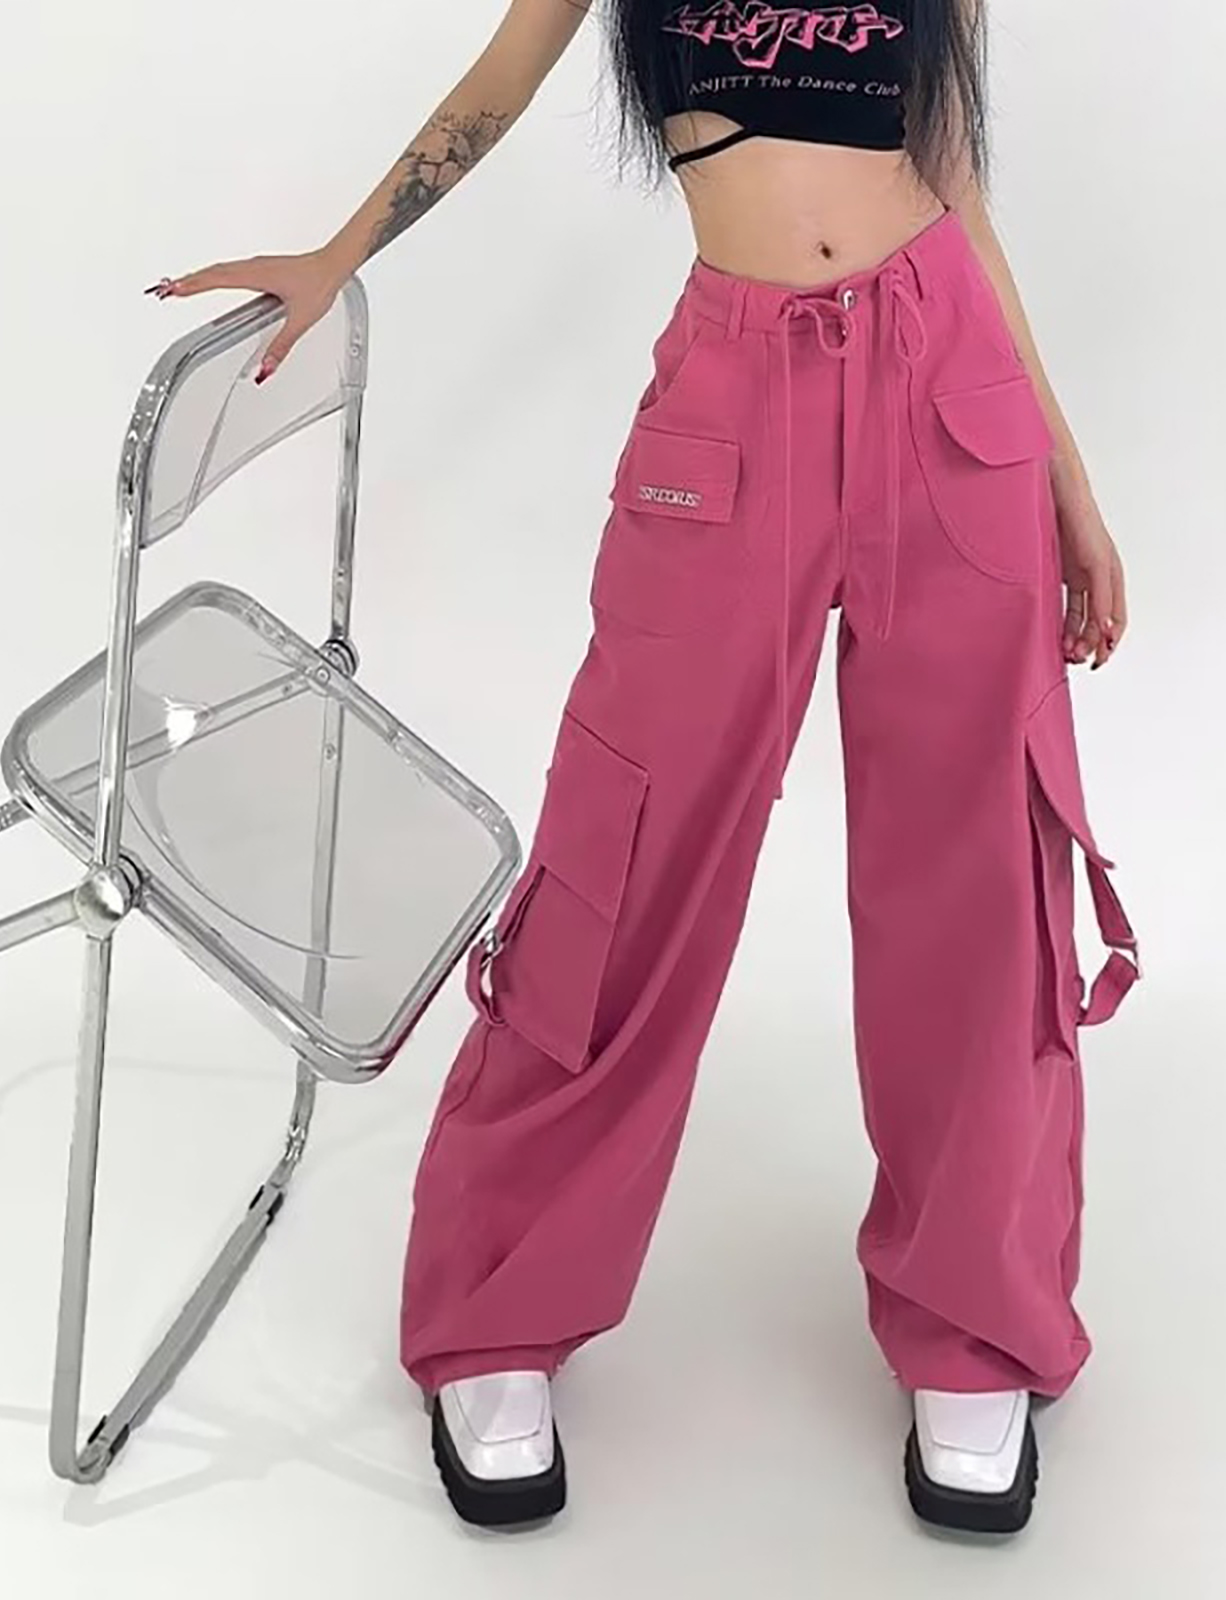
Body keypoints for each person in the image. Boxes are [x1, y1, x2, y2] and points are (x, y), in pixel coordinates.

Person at [150, 0, 1139, 1536]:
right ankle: (500, 1304)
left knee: (978, 882)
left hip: (951, 391)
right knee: (626, 858)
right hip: (737, 399)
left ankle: (977, 1320)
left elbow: (955, 179)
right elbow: (498, 82)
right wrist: (339, 253)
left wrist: (1070, 481)